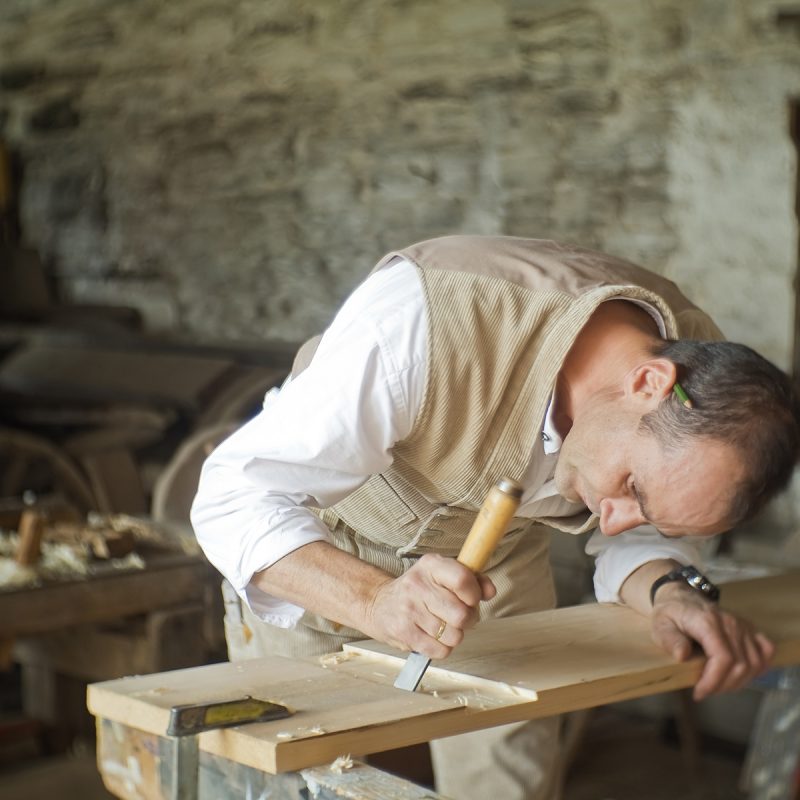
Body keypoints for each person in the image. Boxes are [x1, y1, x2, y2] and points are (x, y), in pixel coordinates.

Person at [191, 235, 799, 800]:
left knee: (507, 785)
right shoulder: (425, 320)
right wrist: (376, 602)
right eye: (630, 487)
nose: (611, 524)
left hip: (497, 563)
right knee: (293, 781)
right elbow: (235, 497)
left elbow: (637, 532)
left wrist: (672, 592)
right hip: (322, 547)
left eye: (646, 511)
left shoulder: (715, 393)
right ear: (646, 381)